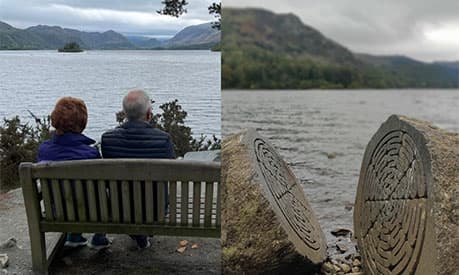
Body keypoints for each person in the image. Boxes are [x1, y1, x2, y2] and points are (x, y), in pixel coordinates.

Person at [101, 89, 176, 249]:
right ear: (149, 114)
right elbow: (172, 173)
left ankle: (138, 234)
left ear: (124, 113)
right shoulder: (163, 140)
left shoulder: (107, 140)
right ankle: (141, 233)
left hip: (119, 208)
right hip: (155, 210)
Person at [37, 97, 110, 249]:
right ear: (82, 124)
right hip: (92, 213)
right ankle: (99, 237)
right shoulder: (90, 154)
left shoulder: (43, 150)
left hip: (56, 213)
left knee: (68, 193)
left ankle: (74, 236)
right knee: (100, 194)